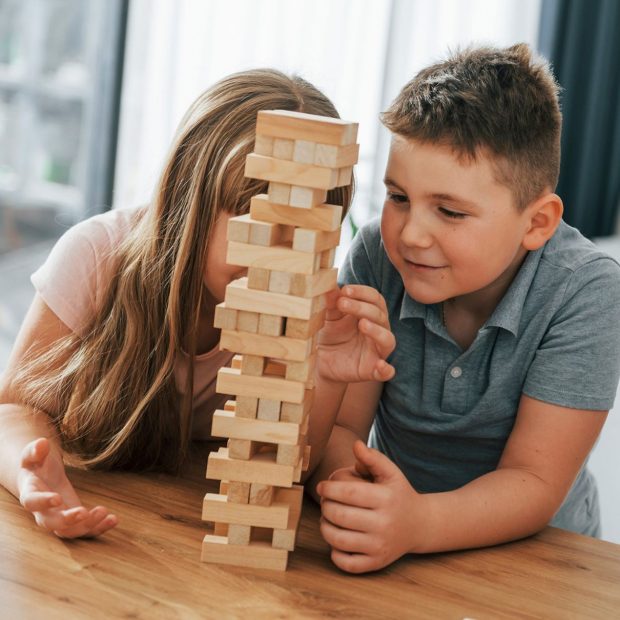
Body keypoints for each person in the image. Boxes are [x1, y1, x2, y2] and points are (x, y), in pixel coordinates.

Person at [0, 69, 395, 539]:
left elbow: (282, 473)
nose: (280, 252)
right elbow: (14, 410)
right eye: (253, 217)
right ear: (187, 197)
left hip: (189, 526)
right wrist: (32, 476)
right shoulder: (97, 255)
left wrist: (326, 373)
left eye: (306, 228)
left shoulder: (308, 307)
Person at [311, 43, 620, 574]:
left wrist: (417, 524)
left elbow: (534, 481)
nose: (410, 234)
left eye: (450, 211)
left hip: (537, 561)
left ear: (537, 223)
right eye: (398, 197)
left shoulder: (587, 291)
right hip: (397, 540)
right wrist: (352, 495)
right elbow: (342, 432)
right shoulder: (377, 256)